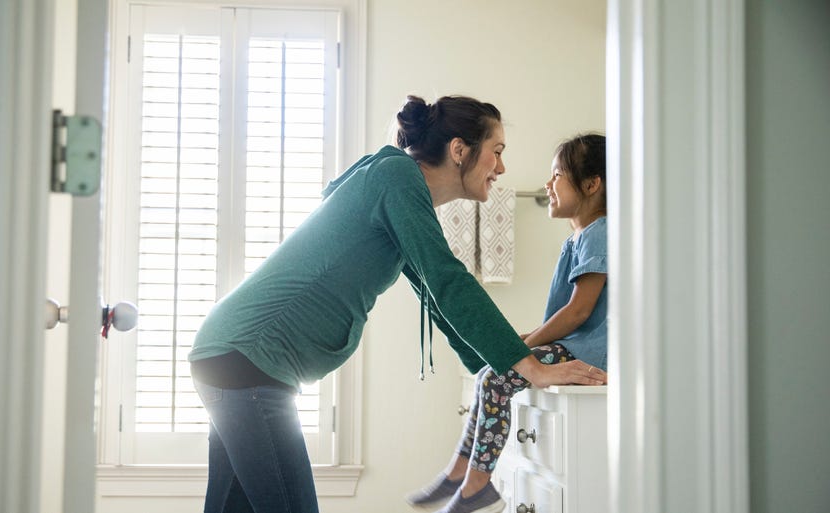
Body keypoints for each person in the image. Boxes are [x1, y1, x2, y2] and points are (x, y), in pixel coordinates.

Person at [187, 97, 607, 513]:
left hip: (234, 358)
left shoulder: (396, 188)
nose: (501, 168)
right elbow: (447, 279)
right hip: (250, 363)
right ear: (459, 150)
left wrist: (492, 365)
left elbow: (435, 299)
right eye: (496, 153)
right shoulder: (397, 178)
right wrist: (527, 365)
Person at [406, 133, 609, 513]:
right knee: (490, 372)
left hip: (589, 350)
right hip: (574, 345)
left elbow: (580, 311)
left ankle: (476, 484)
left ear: (591, 183)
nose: (548, 184)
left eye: (557, 175)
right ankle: (462, 473)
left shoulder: (600, 232)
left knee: (497, 376)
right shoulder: (581, 237)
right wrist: (525, 342)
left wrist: (527, 340)